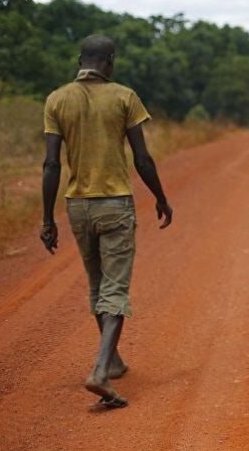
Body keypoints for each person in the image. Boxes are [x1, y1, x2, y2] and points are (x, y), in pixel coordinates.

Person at [40, 35, 173, 409]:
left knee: (97, 283)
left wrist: (47, 218)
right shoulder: (124, 97)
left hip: (77, 205)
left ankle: (112, 361)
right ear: (109, 62)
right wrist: (160, 198)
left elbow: (51, 164)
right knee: (115, 288)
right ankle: (100, 371)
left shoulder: (56, 99)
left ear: (80, 60)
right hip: (114, 203)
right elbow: (142, 158)